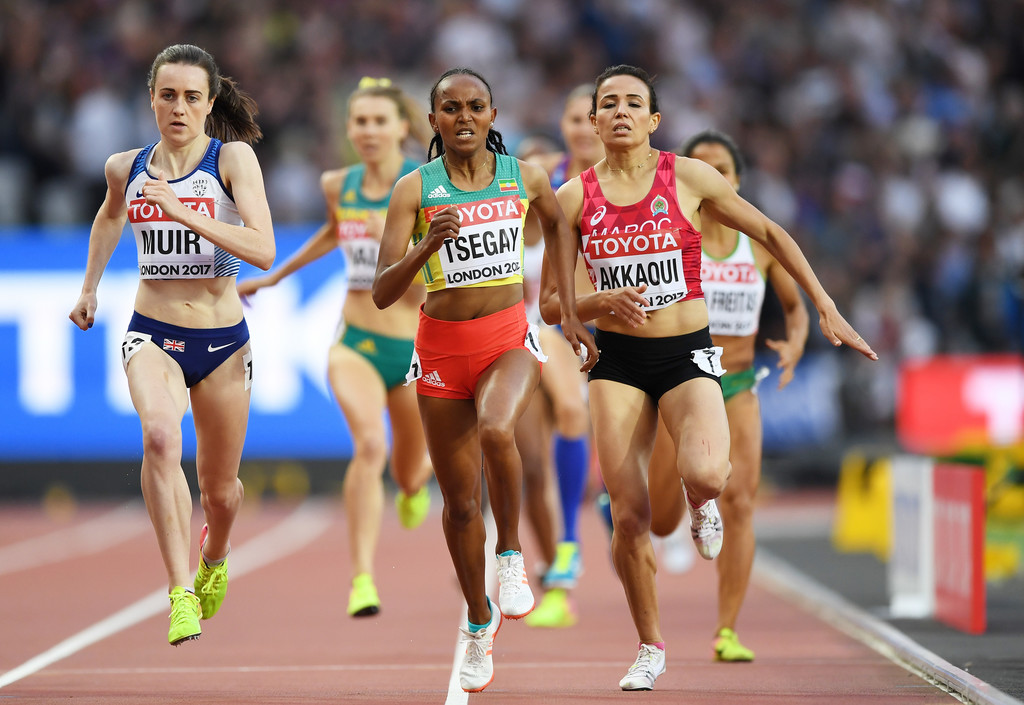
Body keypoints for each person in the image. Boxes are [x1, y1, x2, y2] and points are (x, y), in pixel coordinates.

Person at [539, 64, 877, 691]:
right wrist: (599, 306)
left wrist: (825, 305)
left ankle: (703, 505)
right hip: (616, 363)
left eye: (632, 103)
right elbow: (552, 307)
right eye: (607, 103)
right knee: (631, 516)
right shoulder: (572, 199)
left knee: (707, 473)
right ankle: (649, 646)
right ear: (592, 120)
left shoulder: (687, 177)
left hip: (689, 354)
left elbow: (772, 233)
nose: (619, 112)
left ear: (653, 119)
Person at [372, 67, 597, 694]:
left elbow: (559, 224)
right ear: (434, 120)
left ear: (493, 114)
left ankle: (512, 556)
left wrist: (567, 309)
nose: (464, 117)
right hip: (441, 351)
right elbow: (384, 292)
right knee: (460, 504)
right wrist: (422, 249)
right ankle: (478, 619)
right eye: (451, 108)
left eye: (476, 106)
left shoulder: (522, 177)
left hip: (507, 339)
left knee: (501, 429)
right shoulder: (414, 190)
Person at [68, 44, 275, 646]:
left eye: (191, 97)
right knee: (160, 437)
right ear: (151, 100)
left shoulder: (231, 158)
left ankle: (217, 553)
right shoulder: (124, 167)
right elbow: (110, 217)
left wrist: (183, 211)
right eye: (167, 95)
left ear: (210, 104)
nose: (178, 108)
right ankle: (180, 589)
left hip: (222, 341)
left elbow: (262, 248)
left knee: (221, 490)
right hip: (152, 331)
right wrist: (90, 288)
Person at [236, 77, 434, 619]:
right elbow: (332, 231)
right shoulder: (338, 184)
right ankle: (362, 578)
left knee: (412, 470)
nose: (368, 131)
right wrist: (275, 278)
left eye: (378, 121)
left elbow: (428, 285)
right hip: (355, 343)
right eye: (359, 122)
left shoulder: (425, 187)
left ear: (401, 128)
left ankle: (414, 486)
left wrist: (399, 243)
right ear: (349, 129)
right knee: (369, 446)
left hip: (415, 349)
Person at [646, 129, 810, 662]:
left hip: (737, 385)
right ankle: (670, 514)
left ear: (735, 182)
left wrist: (796, 341)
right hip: (682, 381)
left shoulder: (757, 246)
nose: (712, 177)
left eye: (722, 170)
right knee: (662, 520)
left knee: (741, 502)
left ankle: (727, 631)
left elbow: (794, 304)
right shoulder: (669, 231)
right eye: (702, 169)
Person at [518, 84, 604, 629]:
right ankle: (556, 570)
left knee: (577, 421)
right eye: (571, 117)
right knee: (530, 466)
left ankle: (575, 540)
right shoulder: (542, 178)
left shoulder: (633, 182)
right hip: (543, 325)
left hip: (612, 328)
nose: (580, 127)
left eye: (587, 117)